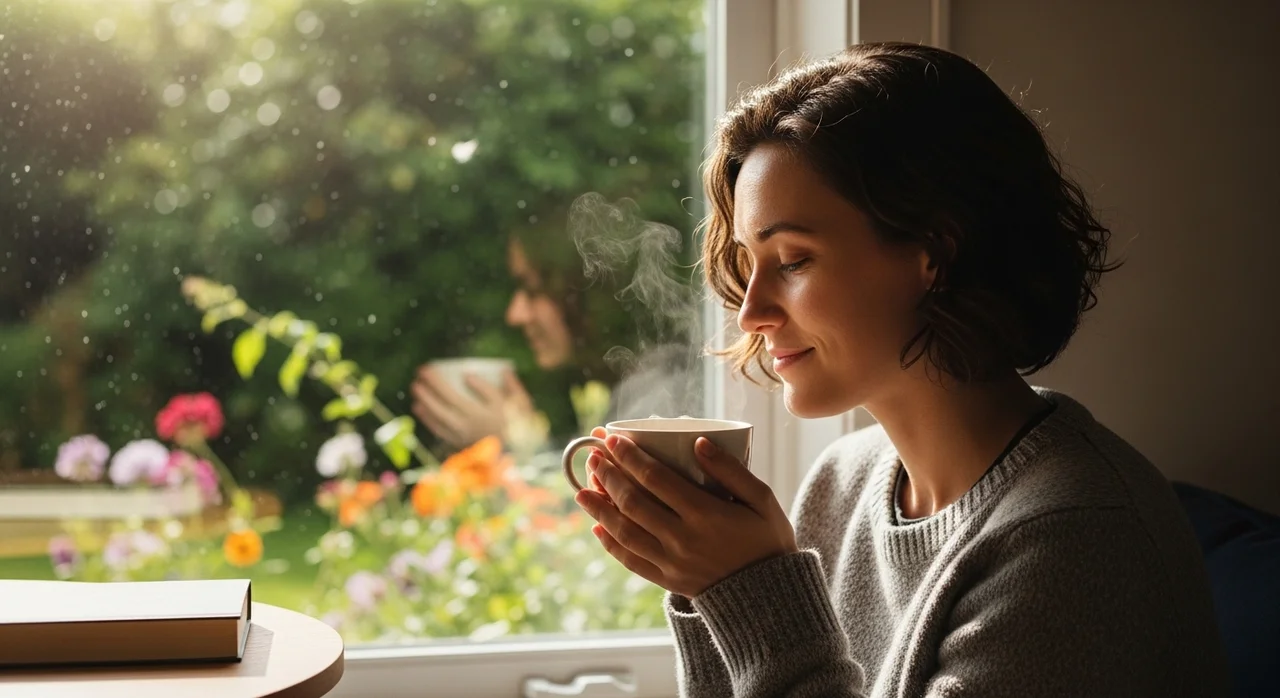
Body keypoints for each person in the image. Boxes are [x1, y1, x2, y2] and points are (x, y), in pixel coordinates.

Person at [572, 42, 1230, 697]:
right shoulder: (842, 484)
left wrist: (755, 592)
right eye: (748, 263)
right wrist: (712, 594)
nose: (751, 313)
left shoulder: (1077, 537)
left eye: (794, 260)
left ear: (934, 255)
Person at [411, 197, 700, 451]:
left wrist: (511, 443)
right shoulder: (632, 391)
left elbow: (596, 508)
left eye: (533, 289)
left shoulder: (660, 403)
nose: (515, 314)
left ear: (583, 292)